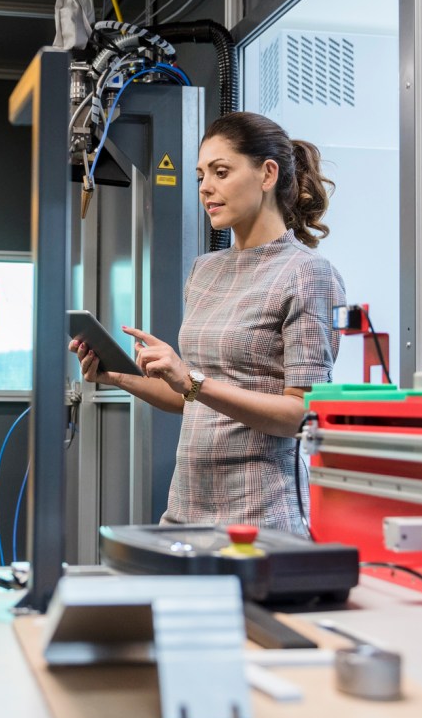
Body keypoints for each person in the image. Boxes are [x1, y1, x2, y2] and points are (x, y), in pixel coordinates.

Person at [69, 111, 345, 534]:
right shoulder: (204, 270)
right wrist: (115, 375)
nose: (205, 188)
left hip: (261, 516)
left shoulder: (307, 273)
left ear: (267, 173)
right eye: (200, 176)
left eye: (221, 172)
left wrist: (192, 380)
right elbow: (192, 399)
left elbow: (301, 415)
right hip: (185, 509)